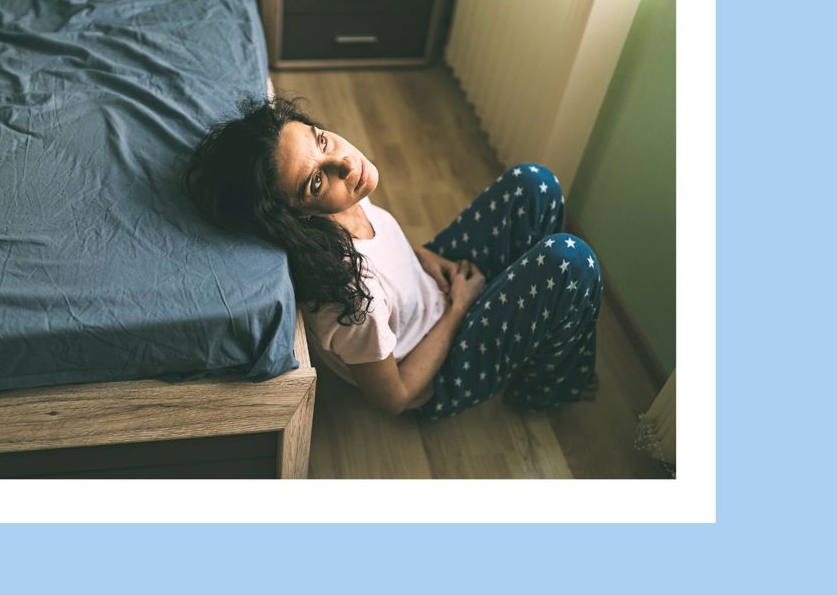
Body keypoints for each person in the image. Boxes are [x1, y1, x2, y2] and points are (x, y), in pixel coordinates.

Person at [183, 96, 602, 419]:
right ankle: (542, 388)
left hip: (434, 289)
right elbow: (394, 399)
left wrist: (422, 258)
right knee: (571, 261)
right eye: (315, 181)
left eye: (322, 140)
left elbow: (383, 250)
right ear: (296, 216)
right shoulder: (350, 298)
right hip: (439, 366)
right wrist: (461, 306)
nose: (346, 165)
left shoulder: (343, 202)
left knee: (534, 184)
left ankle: (533, 325)